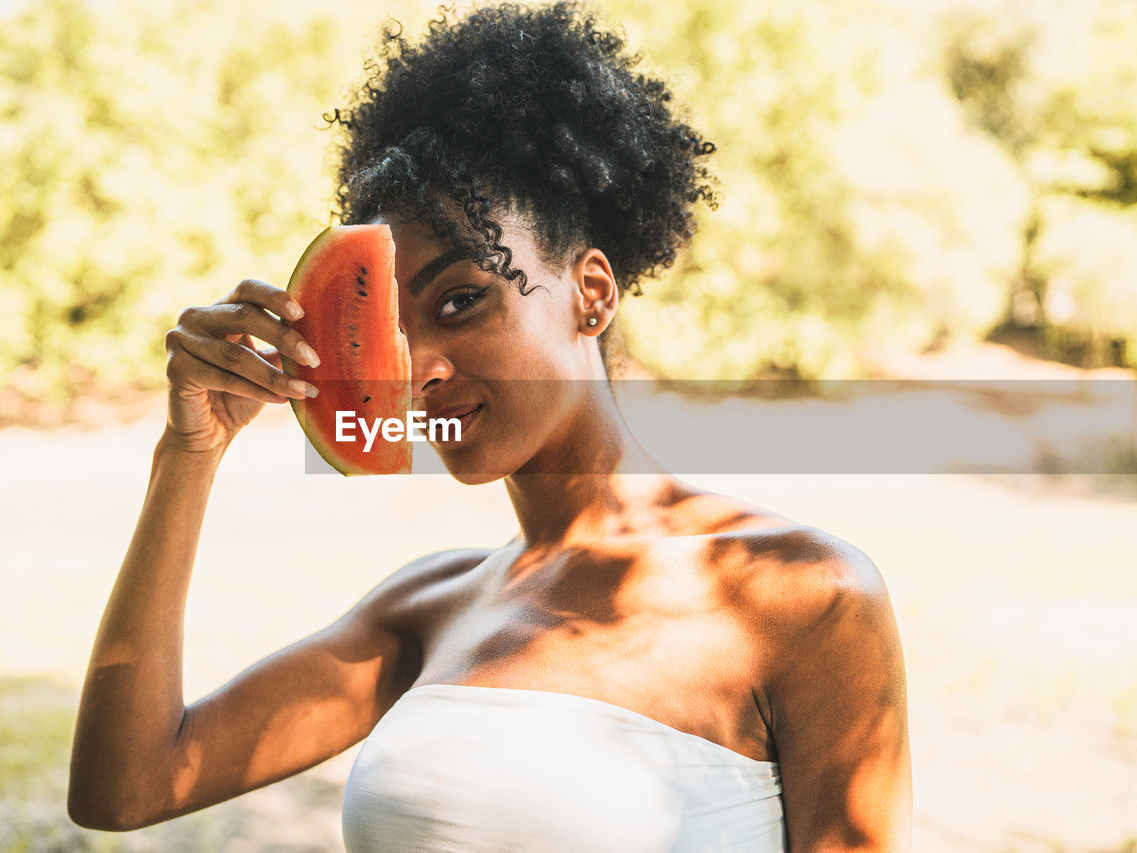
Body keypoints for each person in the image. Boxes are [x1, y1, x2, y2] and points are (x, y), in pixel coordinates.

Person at [68, 2, 912, 850]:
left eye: (461, 300)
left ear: (592, 292)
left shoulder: (801, 596)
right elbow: (128, 783)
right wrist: (189, 455)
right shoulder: (425, 608)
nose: (419, 367)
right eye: (390, 334)